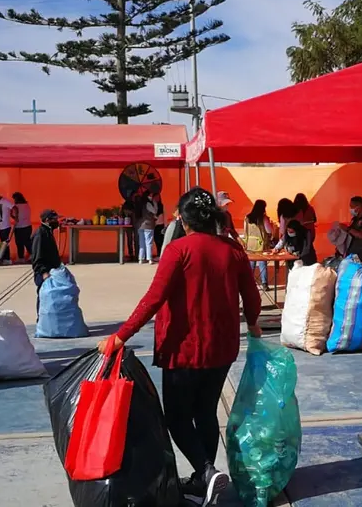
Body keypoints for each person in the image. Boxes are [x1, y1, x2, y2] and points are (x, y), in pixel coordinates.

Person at [98, 187, 262, 505]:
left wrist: (120, 336)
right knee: (205, 412)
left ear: (183, 220)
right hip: (223, 347)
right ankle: (205, 480)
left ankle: (206, 472)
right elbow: (251, 295)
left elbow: (154, 299)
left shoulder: (178, 250)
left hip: (184, 350)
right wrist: (254, 324)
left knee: (176, 417)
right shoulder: (232, 250)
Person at [31, 209, 62, 317]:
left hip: (51, 270)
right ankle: (41, 319)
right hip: (44, 272)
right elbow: (37, 255)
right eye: (55, 219)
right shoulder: (40, 234)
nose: (57, 222)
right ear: (48, 220)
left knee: (51, 296)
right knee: (43, 296)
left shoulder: (48, 231)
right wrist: (43, 271)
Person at [243, 199, 274, 291]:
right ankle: (264, 284)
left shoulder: (247, 217)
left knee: (251, 265)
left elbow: (245, 230)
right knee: (262, 265)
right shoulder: (264, 218)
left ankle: (249, 284)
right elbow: (269, 231)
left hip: (250, 244)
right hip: (261, 245)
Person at [340, 196, 362, 261]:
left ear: (358, 207)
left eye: (352, 207)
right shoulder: (354, 219)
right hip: (351, 251)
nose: (350, 209)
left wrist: (347, 229)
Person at [136, 192, 158, 264]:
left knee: (141, 243)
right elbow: (155, 211)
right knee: (149, 242)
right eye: (151, 195)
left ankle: (141, 259)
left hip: (140, 225)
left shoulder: (139, 204)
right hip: (148, 224)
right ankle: (149, 259)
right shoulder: (148, 203)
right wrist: (154, 203)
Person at [11, 192, 33, 262]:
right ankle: (32, 254)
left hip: (19, 227)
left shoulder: (16, 206)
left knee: (19, 243)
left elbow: (16, 217)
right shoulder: (27, 205)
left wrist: (11, 215)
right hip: (28, 226)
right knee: (27, 242)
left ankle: (21, 258)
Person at [152, 193, 166, 257]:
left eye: (158, 197)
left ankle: (160, 253)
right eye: (155, 197)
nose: (157, 198)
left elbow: (158, 214)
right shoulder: (153, 205)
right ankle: (159, 253)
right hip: (155, 225)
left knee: (160, 239)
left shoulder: (160, 205)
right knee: (156, 240)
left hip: (160, 224)